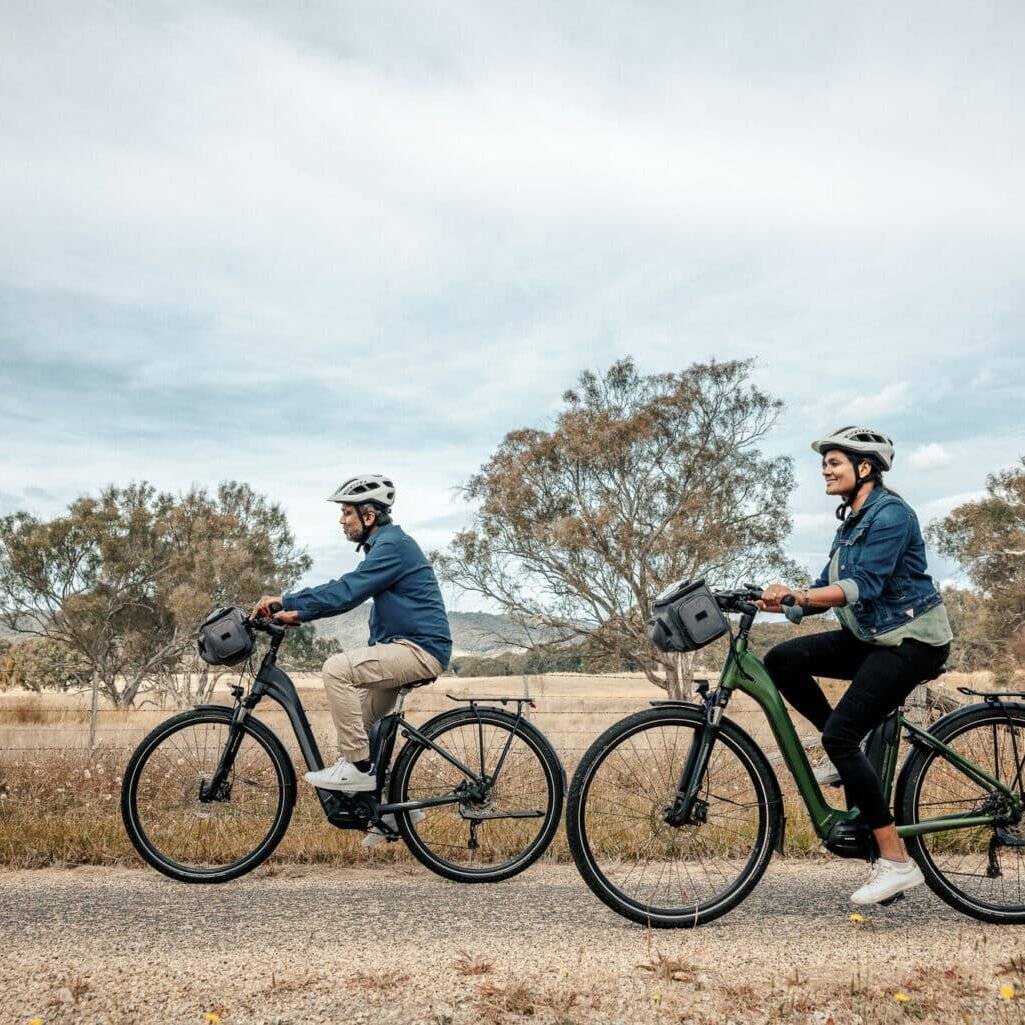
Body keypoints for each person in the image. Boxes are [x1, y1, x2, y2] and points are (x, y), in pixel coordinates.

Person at [757, 426, 952, 906]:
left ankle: (895, 862)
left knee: (839, 735)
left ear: (865, 468)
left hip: (912, 640)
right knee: (782, 659)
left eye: (835, 462)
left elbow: (862, 584)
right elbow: (826, 591)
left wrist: (799, 595)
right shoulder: (851, 522)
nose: (825, 469)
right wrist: (779, 602)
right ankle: (850, 754)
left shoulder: (891, 515)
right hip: (872, 637)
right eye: (824, 462)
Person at [252, 474, 452, 844]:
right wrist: (298, 615)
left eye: (346, 512)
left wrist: (288, 601)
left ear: (369, 516)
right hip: (406, 646)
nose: (342, 520)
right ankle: (392, 815)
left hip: (419, 650)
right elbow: (349, 593)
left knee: (336, 670)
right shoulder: (386, 546)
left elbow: (347, 591)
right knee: (362, 722)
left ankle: (359, 770)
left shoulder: (393, 546)